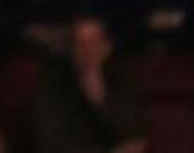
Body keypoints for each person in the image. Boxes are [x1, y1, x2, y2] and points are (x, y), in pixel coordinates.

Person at [30, 16, 143, 153]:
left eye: (93, 43)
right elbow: (50, 142)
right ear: (71, 50)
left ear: (106, 47)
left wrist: (98, 98)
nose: (86, 51)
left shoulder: (122, 82)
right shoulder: (53, 84)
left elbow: (132, 136)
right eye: (80, 43)